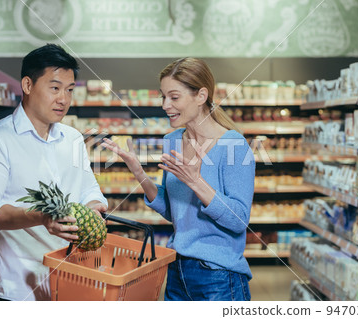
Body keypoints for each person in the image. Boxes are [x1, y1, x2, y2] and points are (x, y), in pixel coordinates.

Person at [102, 57, 255, 301]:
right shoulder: (173, 140)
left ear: (201, 96)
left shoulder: (233, 145)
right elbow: (175, 213)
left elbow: (239, 220)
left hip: (219, 276)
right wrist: (139, 173)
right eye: (163, 97)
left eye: (174, 97)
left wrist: (197, 182)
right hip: (176, 270)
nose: (165, 105)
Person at [0, 44, 108, 301]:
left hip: (76, 283)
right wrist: (40, 217)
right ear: (28, 85)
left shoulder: (74, 138)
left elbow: (88, 187)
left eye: (69, 90)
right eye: (54, 88)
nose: (63, 99)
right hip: (21, 290)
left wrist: (94, 206)